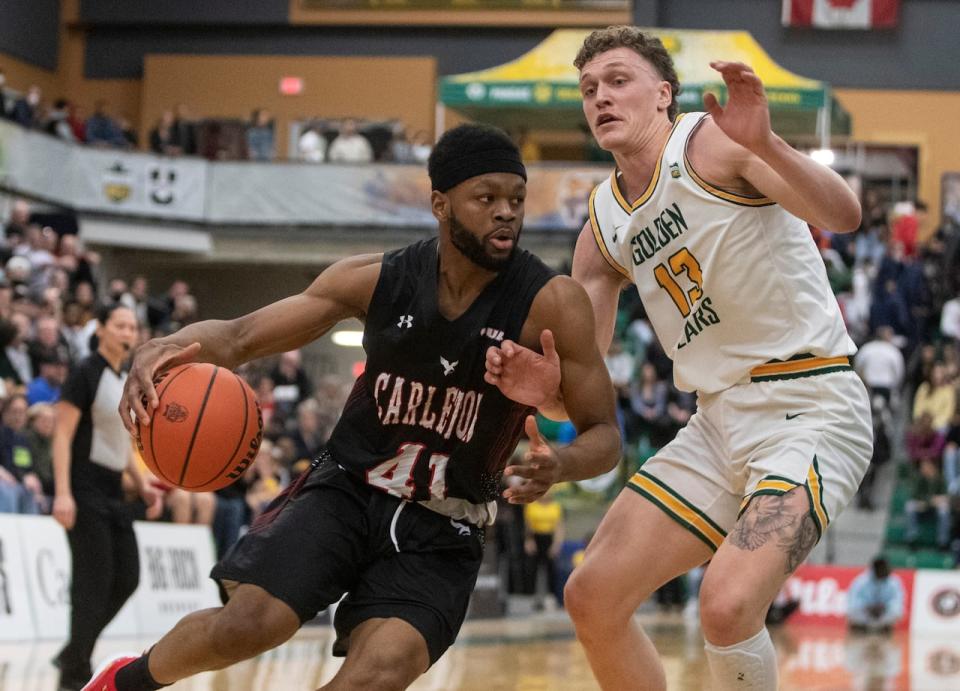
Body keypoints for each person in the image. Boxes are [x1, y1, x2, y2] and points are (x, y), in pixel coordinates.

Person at [85, 123, 620, 691]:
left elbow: (605, 433)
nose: (506, 213)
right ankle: (125, 683)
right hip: (347, 489)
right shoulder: (378, 279)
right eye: (486, 199)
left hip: (444, 525)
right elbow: (241, 337)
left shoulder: (552, 302)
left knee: (378, 672)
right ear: (441, 204)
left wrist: (560, 466)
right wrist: (167, 346)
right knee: (246, 625)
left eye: (515, 198)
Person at [484, 26, 872, 691]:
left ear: (663, 94)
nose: (600, 97)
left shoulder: (715, 144)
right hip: (717, 424)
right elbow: (577, 391)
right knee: (592, 594)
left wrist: (766, 142)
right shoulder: (602, 227)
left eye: (617, 80)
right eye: (588, 89)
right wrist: (543, 387)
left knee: (725, 604)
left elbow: (845, 213)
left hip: (810, 407)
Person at [52, 304, 162, 690]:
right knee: (92, 583)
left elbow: (119, 442)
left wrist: (141, 480)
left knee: (127, 576)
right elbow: (62, 434)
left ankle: (74, 650)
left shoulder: (122, 378)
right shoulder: (85, 372)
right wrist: (63, 493)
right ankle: (73, 670)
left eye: (132, 326)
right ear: (101, 329)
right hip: (83, 486)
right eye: (119, 325)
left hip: (115, 488)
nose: (127, 332)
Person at [847, 557, 905, 633]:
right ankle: (860, 629)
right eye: (883, 569)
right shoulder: (861, 581)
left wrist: (885, 607)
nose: (887, 571)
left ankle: (885, 629)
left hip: (883, 617)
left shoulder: (894, 582)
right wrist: (867, 607)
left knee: (896, 612)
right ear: (875, 569)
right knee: (852, 612)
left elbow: (898, 602)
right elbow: (852, 602)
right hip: (865, 617)